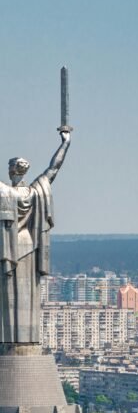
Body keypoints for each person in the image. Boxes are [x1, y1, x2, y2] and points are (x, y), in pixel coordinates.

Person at [0, 129, 71, 344]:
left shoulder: (4, 192)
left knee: (9, 295)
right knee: (30, 294)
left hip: (10, 248)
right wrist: (65, 144)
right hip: (30, 245)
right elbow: (54, 168)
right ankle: (28, 339)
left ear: (12, 172)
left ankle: (9, 340)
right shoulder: (37, 192)